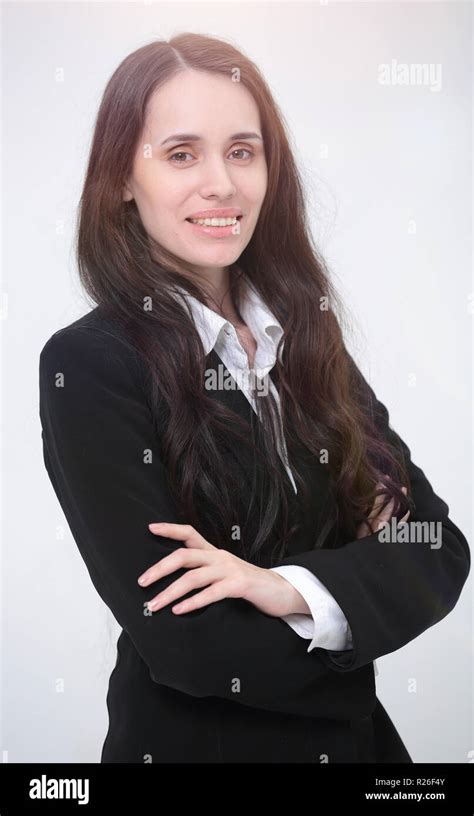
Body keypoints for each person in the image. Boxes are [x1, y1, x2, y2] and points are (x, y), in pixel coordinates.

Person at [39, 33, 470, 763]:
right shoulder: (89, 365)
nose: (223, 184)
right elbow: (189, 645)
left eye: (243, 151)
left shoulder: (304, 335)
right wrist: (354, 621)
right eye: (181, 154)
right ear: (120, 177)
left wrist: (283, 588)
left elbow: (436, 546)